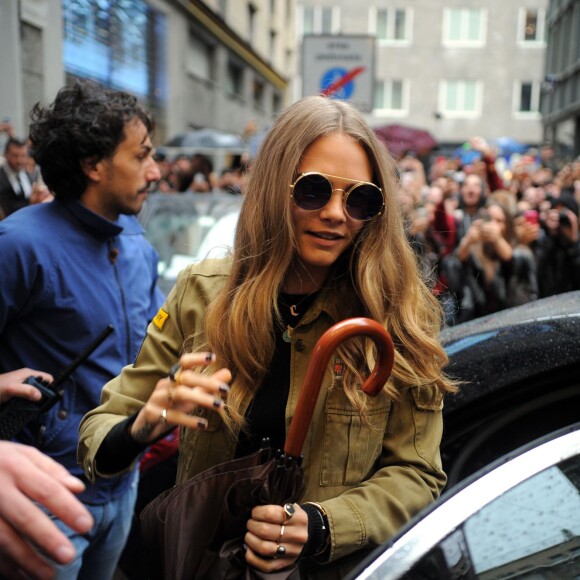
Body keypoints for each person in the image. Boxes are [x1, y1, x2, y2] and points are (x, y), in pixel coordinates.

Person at [79, 95, 456, 578]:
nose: (338, 214)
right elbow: (97, 432)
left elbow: (418, 475)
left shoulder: (398, 314)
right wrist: (143, 425)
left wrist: (321, 526)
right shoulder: (202, 292)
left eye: (360, 198)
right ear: (276, 189)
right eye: (314, 191)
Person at [0, 80, 164, 579]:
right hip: (42, 493)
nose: (155, 172)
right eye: (141, 157)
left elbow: (157, 348)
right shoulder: (17, 245)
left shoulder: (138, 244)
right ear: (93, 166)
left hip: (123, 483)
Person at [0, 137, 34, 219]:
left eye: (23, 156)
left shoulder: (28, 175)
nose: (19, 160)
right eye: (15, 156)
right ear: (6, 154)